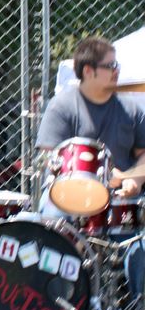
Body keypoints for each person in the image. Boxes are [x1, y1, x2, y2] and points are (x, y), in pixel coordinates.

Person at [36, 36, 145, 204]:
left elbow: (143, 153)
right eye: (110, 66)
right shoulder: (61, 106)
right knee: (50, 210)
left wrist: (135, 179)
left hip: (119, 201)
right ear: (88, 71)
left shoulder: (131, 109)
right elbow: (47, 158)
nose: (116, 71)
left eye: (117, 65)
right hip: (67, 196)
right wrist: (102, 177)